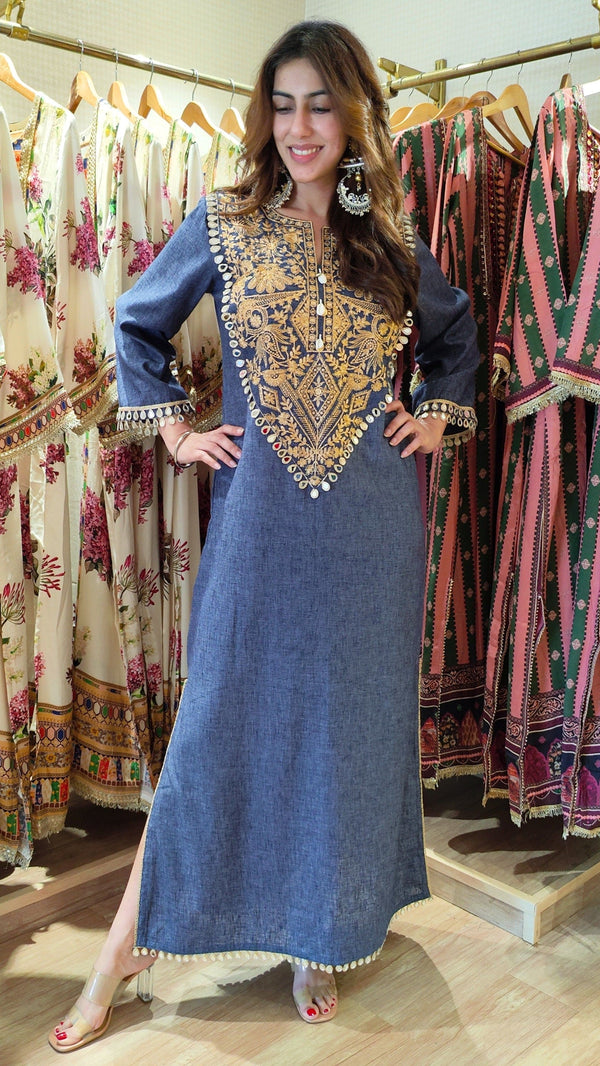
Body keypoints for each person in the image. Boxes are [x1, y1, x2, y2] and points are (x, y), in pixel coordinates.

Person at [49, 19, 479, 1052]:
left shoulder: (389, 237)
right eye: (282, 104)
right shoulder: (229, 220)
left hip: (373, 529)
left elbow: (457, 336)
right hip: (262, 524)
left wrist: (434, 411)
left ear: (355, 113)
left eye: (320, 104)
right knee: (213, 730)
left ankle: (313, 937)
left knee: (340, 733)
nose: (299, 126)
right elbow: (138, 325)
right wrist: (181, 432)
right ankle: (126, 947)